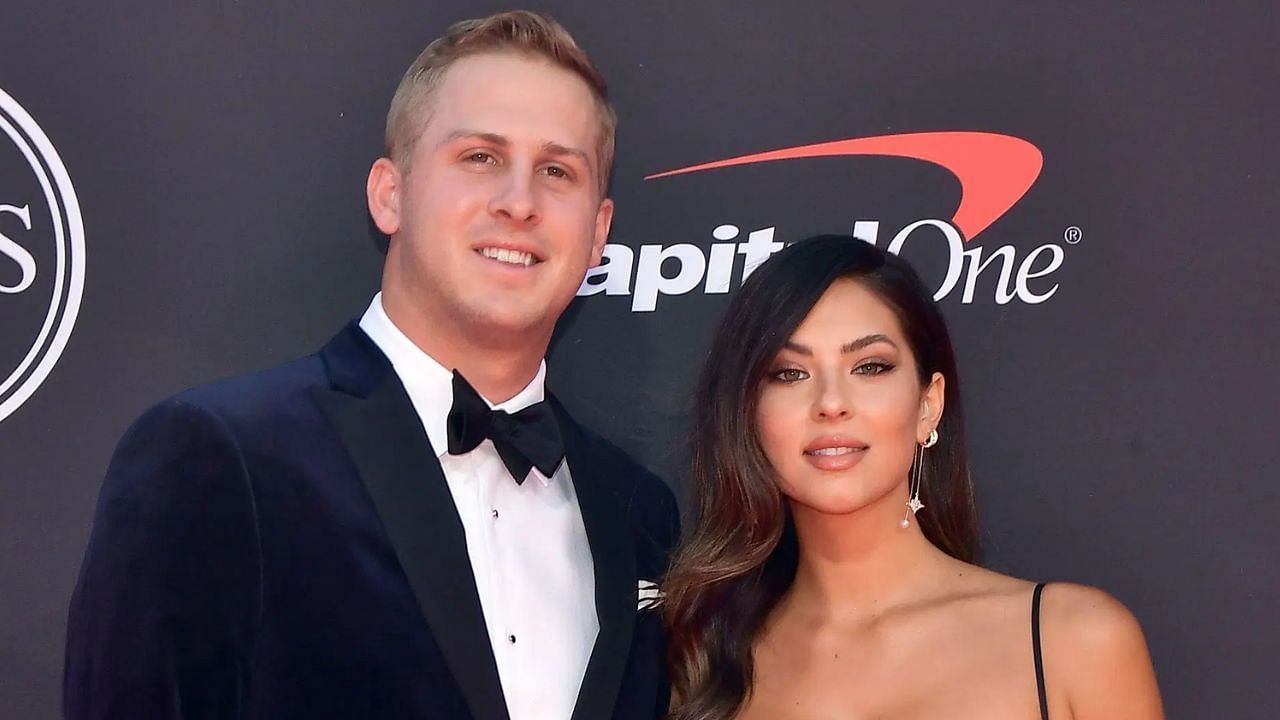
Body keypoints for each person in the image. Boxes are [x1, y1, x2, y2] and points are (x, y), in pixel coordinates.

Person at [64, 11, 678, 720]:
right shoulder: (220, 458)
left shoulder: (640, 514)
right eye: (480, 157)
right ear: (390, 194)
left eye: (556, 170)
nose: (519, 202)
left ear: (598, 233)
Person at [662, 235, 1162, 719]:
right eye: (790, 373)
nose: (832, 403)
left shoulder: (1071, 642)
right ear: (748, 414)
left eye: (871, 366)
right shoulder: (699, 668)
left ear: (929, 404)